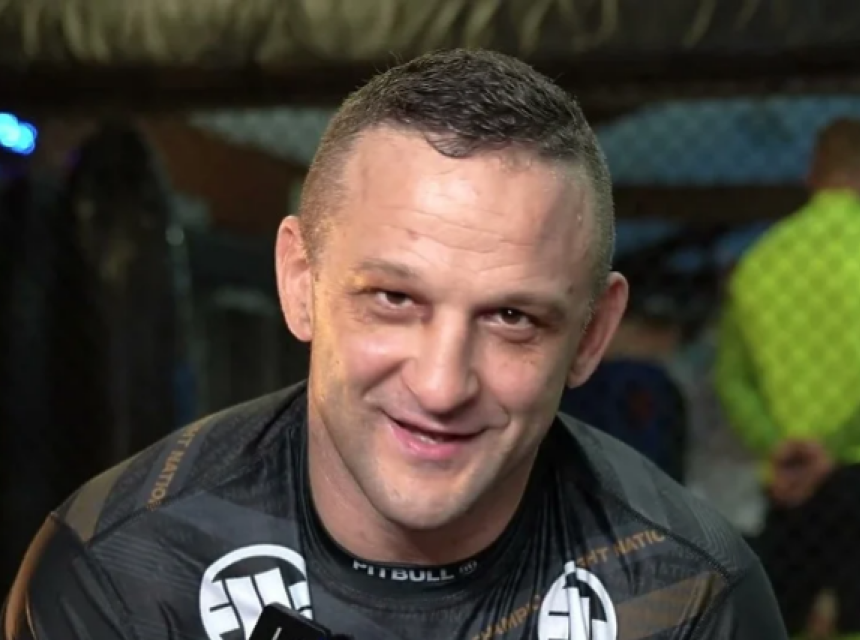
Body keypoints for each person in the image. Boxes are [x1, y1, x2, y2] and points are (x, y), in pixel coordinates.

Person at [3, 49, 785, 640]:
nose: (442, 386)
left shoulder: (687, 595)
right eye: (394, 299)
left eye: (513, 317)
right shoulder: (124, 566)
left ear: (592, 336)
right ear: (301, 281)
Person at [715, 118, 860, 637]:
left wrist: (777, 445)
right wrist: (835, 447)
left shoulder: (760, 260)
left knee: (783, 620)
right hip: (848, 464)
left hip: (788, 480)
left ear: (812, 175)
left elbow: (732, 378)